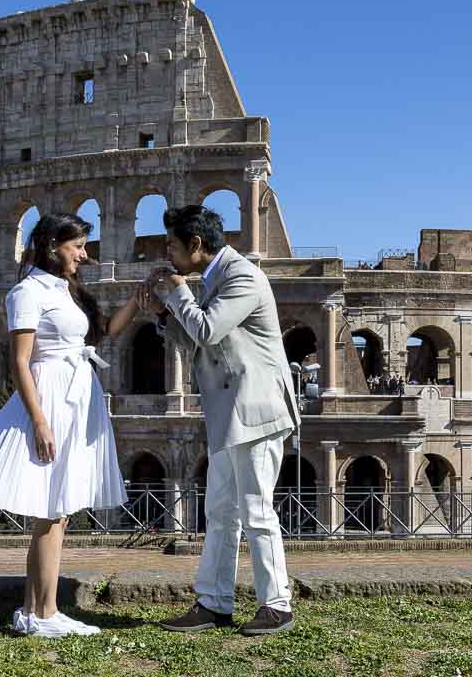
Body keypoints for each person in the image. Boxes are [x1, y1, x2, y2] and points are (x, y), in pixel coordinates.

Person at [0, 213, 148, 638]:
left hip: (75, 393)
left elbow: (100, 336)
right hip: (51, 396)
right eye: (78, 246)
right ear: (52, 246)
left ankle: (36, 612)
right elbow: (19, 361)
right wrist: (39, 421)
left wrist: (137, 301)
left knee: (57, 513)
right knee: (51, 512)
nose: (85, 255)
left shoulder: (64, 290)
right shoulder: (26, 292)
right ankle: (44, 614)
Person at [148, 205, 299, 636]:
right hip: (230, 414)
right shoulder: (216, 278)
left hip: (257, 411)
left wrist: (177, 293)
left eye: (173, 246)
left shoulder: (243, 276)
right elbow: (200, 344)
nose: (169, 255)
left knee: (255, 510)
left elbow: (209, 330)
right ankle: (214, 602)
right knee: (220, 511)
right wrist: (163, 315)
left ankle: (277, 604)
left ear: (196, 245)